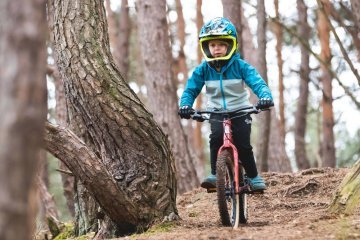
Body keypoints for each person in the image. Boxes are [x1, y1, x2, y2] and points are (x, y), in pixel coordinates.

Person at [178, 17, 273, 192]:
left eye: (221, 45)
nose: (216, 49)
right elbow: (190, 90)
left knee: (243, 144)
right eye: (212, 45)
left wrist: (265, 96)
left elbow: (257, 83)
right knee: (215, 139)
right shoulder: (203, 69)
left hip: (240, 110)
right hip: (216, 111)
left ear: (231, 45)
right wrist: (185, 105)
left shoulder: (240, 66)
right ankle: (216, 175)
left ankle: (253, 176)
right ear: (206, 47)